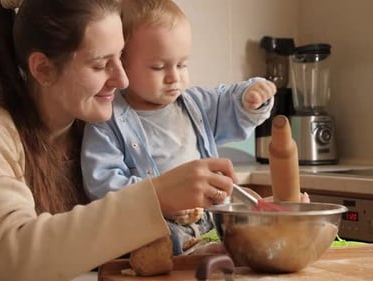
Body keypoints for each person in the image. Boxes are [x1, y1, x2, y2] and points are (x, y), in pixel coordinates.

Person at [0, 0, 241, 280]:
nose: (122, 79)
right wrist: (154, 196)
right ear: (43, 68)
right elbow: (11, 256)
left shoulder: (91, 126)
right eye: (100, 64)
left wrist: (194, 248)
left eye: (121, 57)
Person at [81, 0, 276, 255]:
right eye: (159, 67)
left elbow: (227, 101)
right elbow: (103, 184)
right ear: (123, 63)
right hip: (160, 224)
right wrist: (160, 200)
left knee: (238, 216)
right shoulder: (107, 121)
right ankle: (208, 252)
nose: (174, 77)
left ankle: (229, 243)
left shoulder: (194, 104)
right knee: (154, 241)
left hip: (209, 216)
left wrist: (250, 97)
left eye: (182, 64)